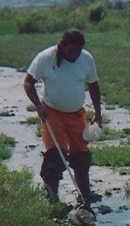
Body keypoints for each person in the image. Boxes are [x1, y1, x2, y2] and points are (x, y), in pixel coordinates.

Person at [24, 29, 102, 204]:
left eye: (78, 51)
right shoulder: (45, 58)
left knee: (81, 156)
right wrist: (38, 106)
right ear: (63, 45)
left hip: (76, 115)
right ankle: (52, 198)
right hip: (52, 114)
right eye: (71, 52)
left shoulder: (86, 59)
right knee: (55, 156)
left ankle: (85, 195)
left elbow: (94, 86)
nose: (75, 56)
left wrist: (98, 115)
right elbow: (28, 82)